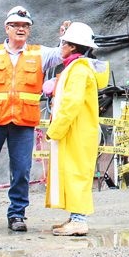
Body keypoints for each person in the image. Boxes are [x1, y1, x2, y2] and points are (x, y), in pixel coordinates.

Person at [0, 7, 68, 232]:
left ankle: (17, 214)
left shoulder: (38, 53)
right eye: (16, 26)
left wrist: (64, 37)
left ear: (29, 30)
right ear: (7, 28)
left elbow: (62, 54)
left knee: (22, 169)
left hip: (23, 121)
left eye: (25, 26)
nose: (21, 29)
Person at [45, 22, 101, 236]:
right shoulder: (78, 67)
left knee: (77, 173)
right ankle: (75, 217)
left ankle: (79, 220)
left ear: (71, 46)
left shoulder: (78, 70)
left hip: (76, 132)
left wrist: (55, 129)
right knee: (73, 172)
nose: (61, 46)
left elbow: (71, 104)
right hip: (77, 132)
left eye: (64, 43)